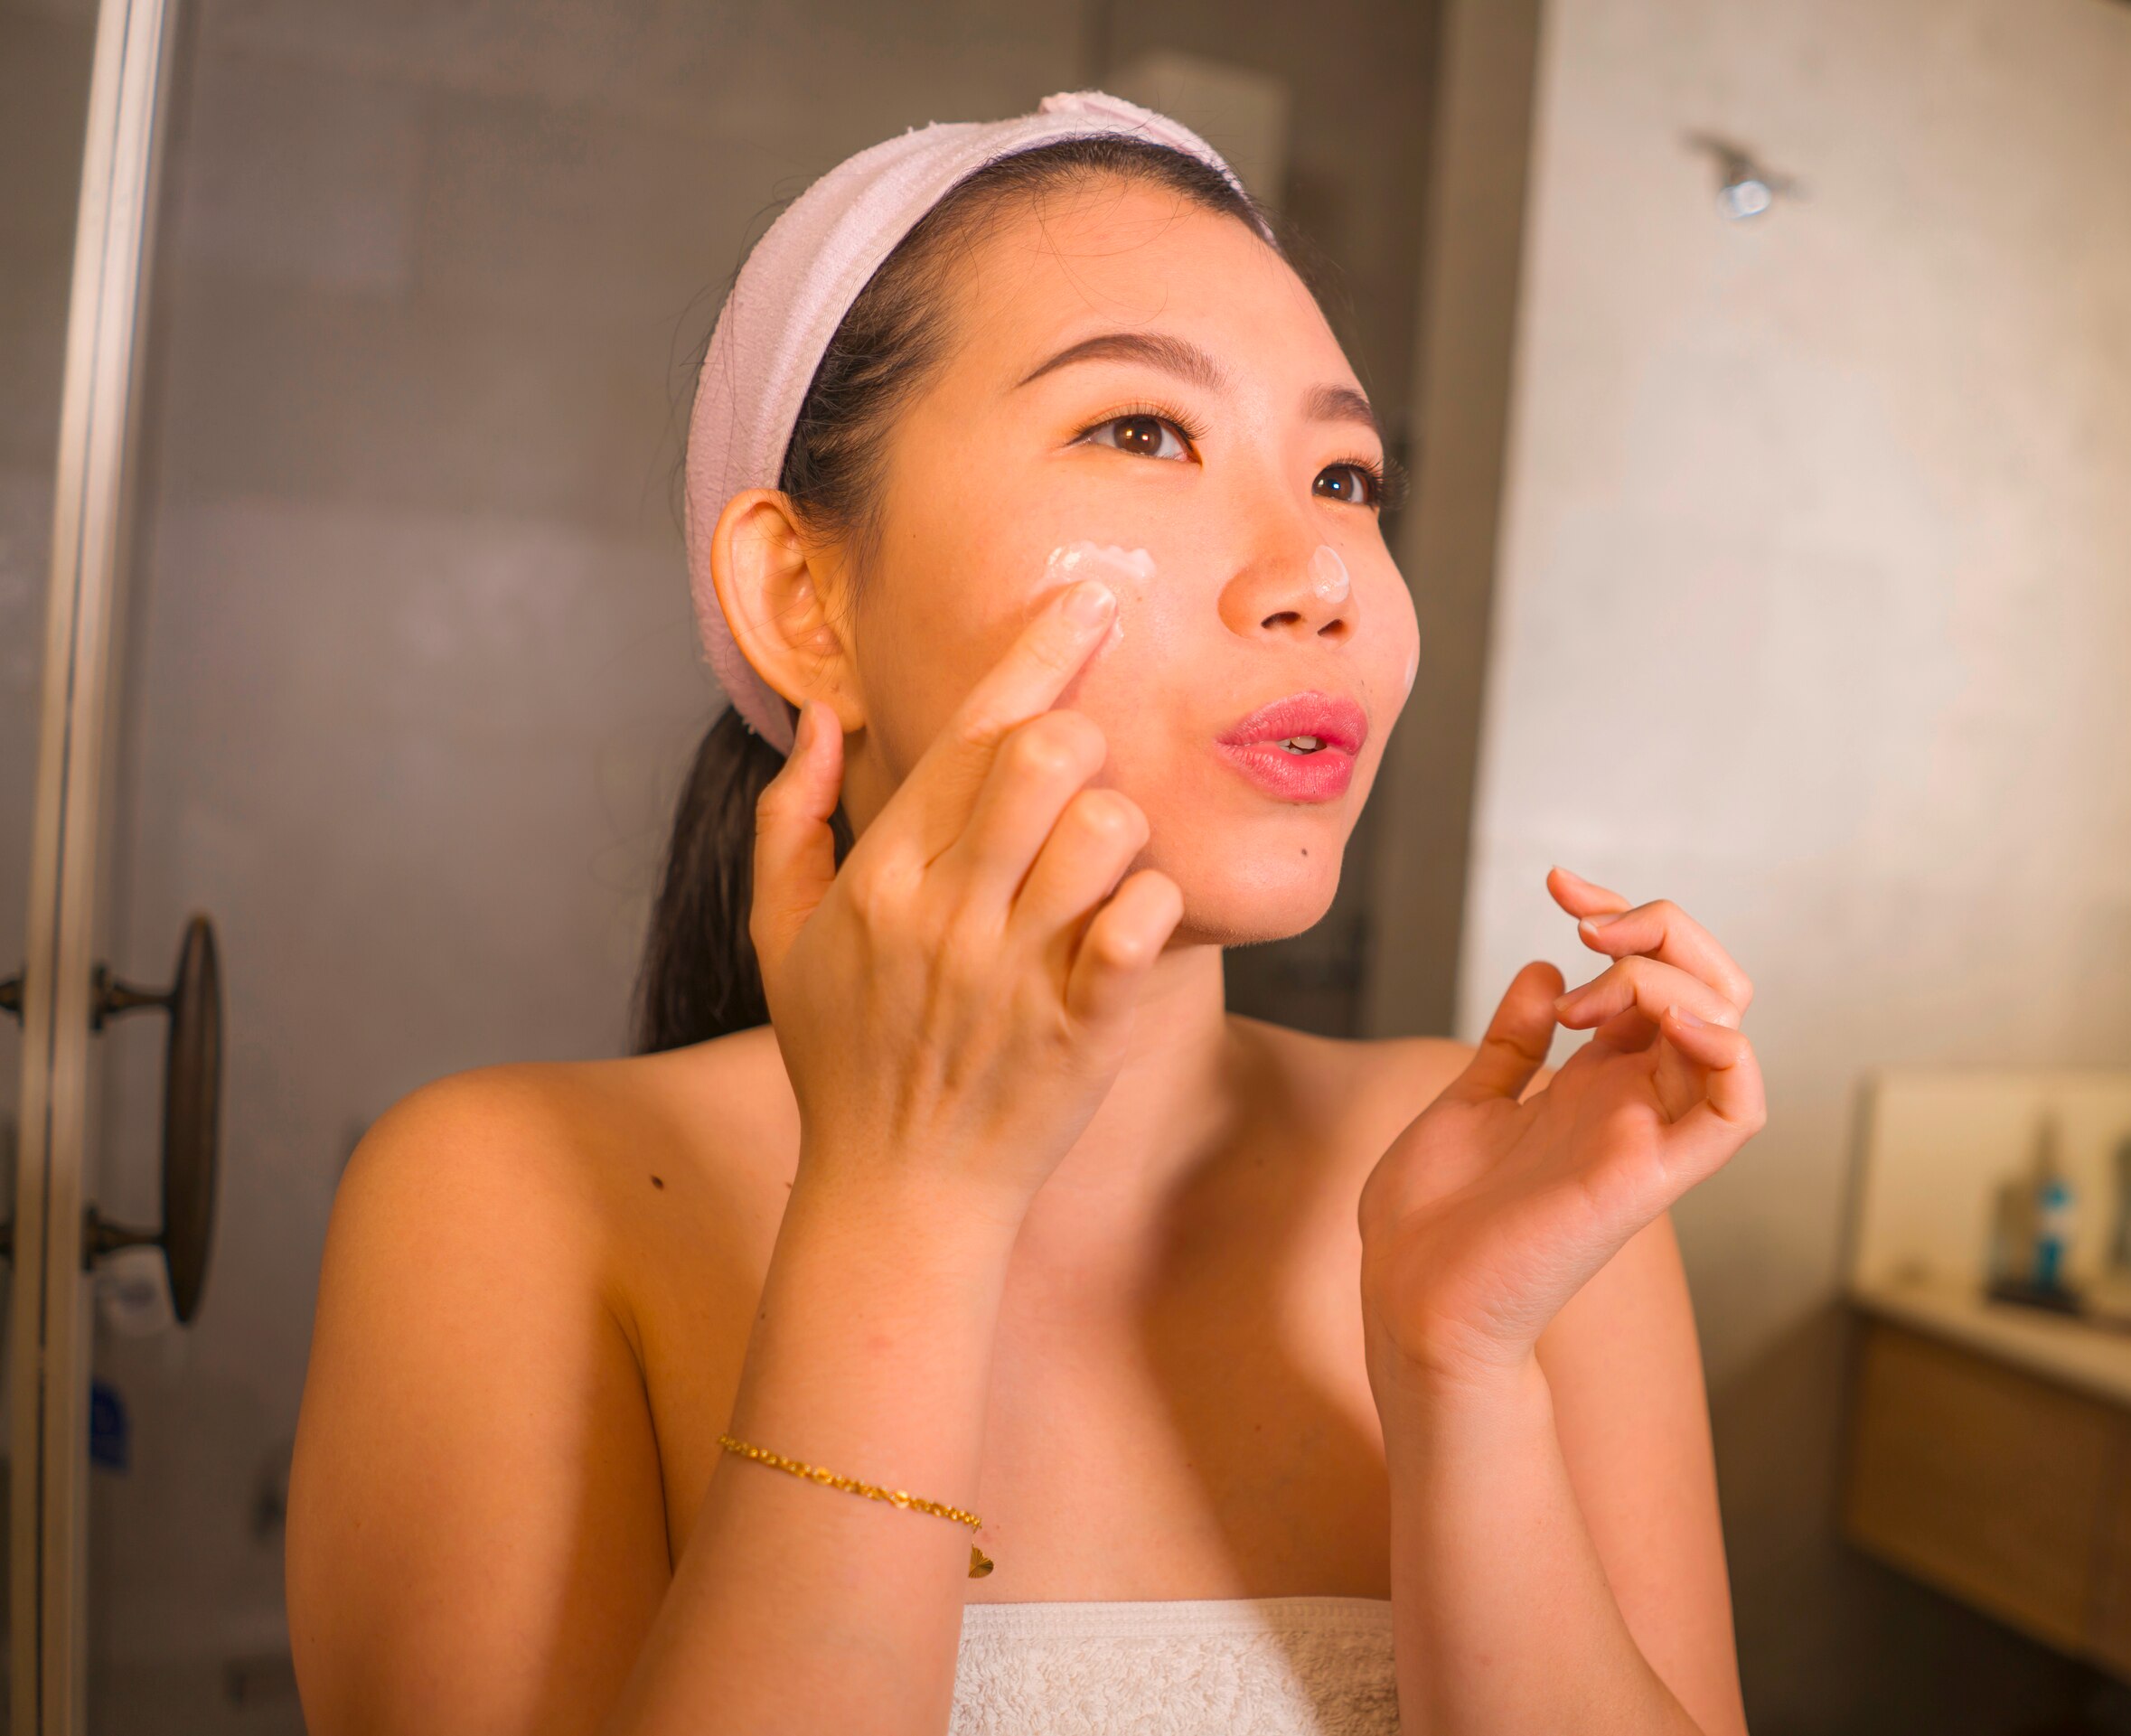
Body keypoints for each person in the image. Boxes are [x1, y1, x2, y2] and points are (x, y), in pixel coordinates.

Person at [286, 93, 1764, 1736]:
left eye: (1347, 475)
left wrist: (1462, 1375)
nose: (1322, 573)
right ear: (803, 599)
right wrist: (899, 1208)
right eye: (1142, 432)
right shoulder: (505, 1200)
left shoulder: (1519, 1194)